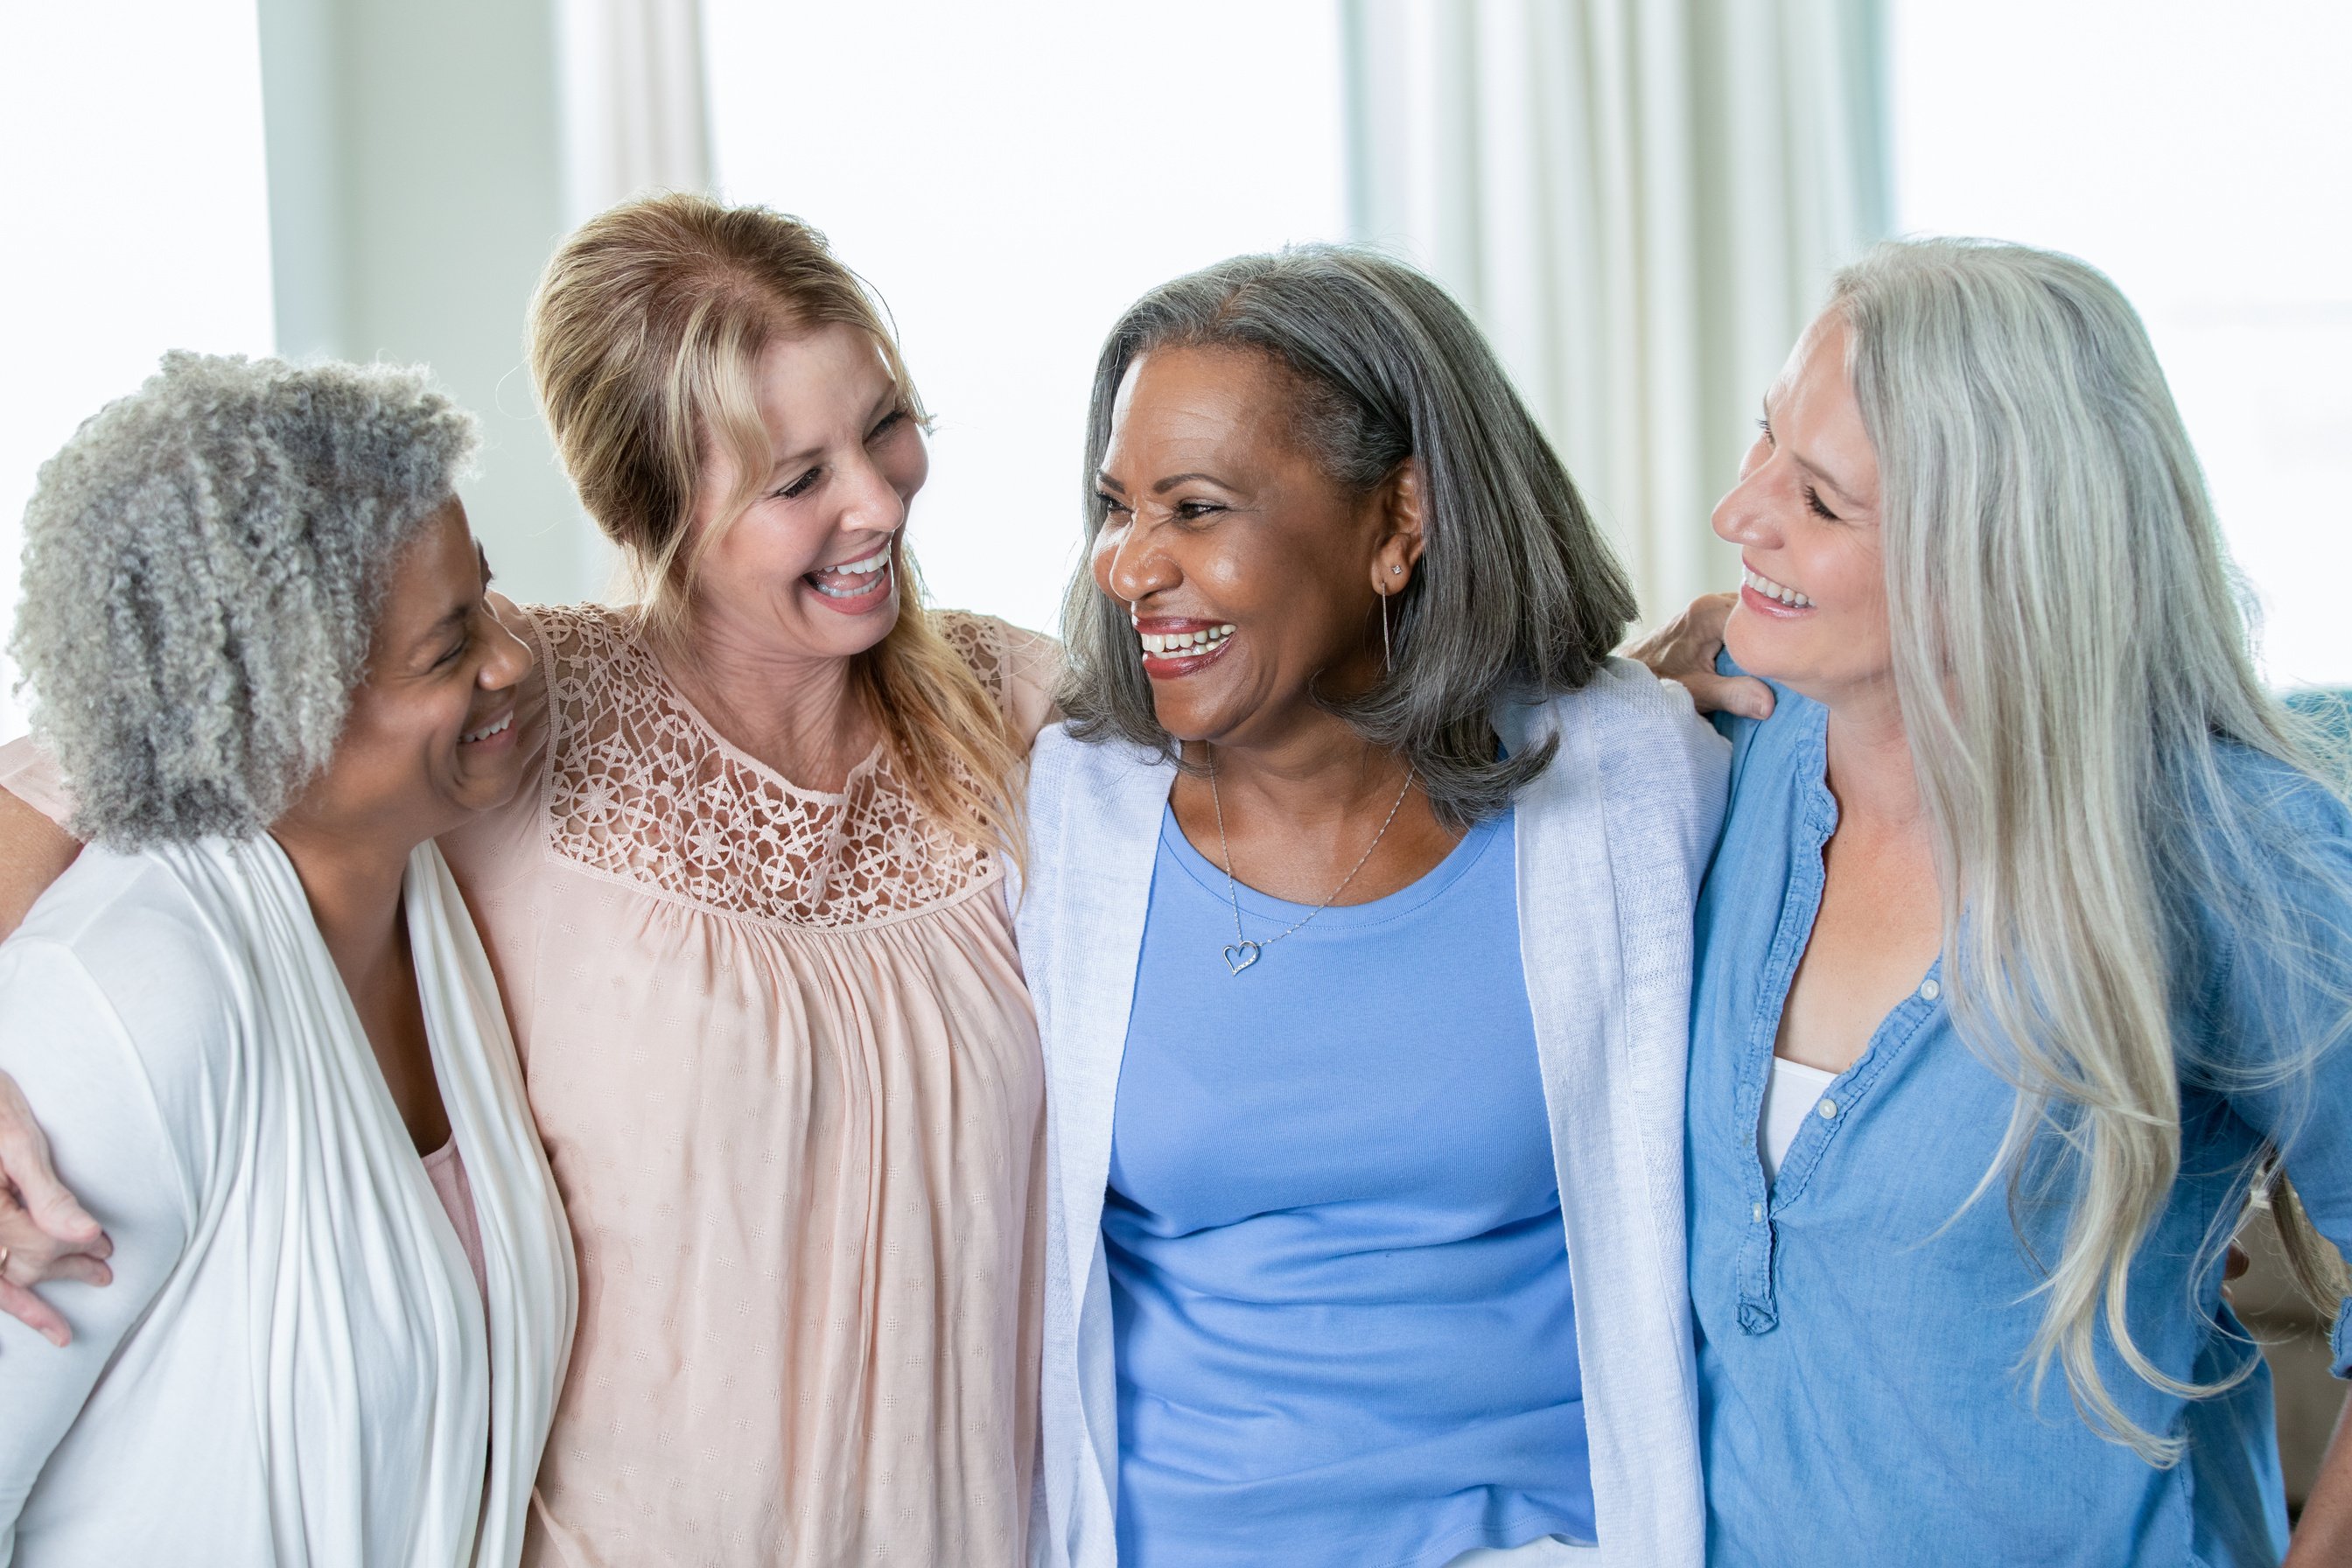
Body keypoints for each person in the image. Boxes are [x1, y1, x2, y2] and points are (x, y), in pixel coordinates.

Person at [0, 196, 1056, 1565]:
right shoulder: (504, 715)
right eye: (798, 480)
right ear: (652, 510)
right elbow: (119, 741)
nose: (881, 500)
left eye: (889, 425)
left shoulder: (1012, 708)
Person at [1636, 238, 2352, 1564]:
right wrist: (1621, 725)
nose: (1739, 513)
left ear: (1997, 552)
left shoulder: (2227, 848)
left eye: (1823, 501)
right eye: (1765, 438)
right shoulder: (1722, 742)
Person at [1017, 248, 1726, 1568]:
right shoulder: (1066, 821)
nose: (1129, 567)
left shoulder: (1628, 787)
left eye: (1196, 508)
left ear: (1400, 520)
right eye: (1119, 507)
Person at [0, 354, 575, 1564]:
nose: (513, 659)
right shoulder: (130, 1004)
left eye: (487, 596)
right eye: (448, 649)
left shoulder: (432, 913)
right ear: (273, 715)